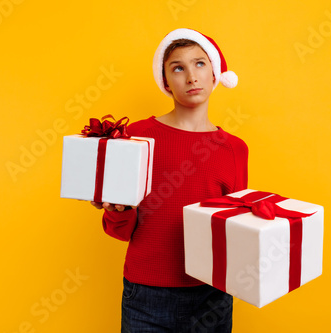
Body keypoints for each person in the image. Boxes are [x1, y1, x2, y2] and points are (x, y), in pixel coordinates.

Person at [91, 28, 248, 332]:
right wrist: (118, 210)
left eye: (200, 64)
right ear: (165, 81)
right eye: (178, 67)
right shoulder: (135, 137)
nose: (191, 76)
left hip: (211, 296)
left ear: (216, 74)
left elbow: (235, 228)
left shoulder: (234, 149)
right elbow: (119, 231)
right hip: (146, 293)